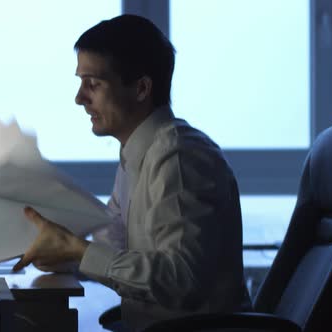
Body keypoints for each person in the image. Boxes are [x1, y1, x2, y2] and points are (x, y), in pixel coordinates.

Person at [13, 14, 251, 331]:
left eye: (92, 84)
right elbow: (114, 249)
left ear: (141, 88)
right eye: (80, 83)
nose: (79, 98)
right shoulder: (136, 153)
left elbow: (181, 280)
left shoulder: (178, 157)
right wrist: (67, 254)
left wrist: (80, 251)